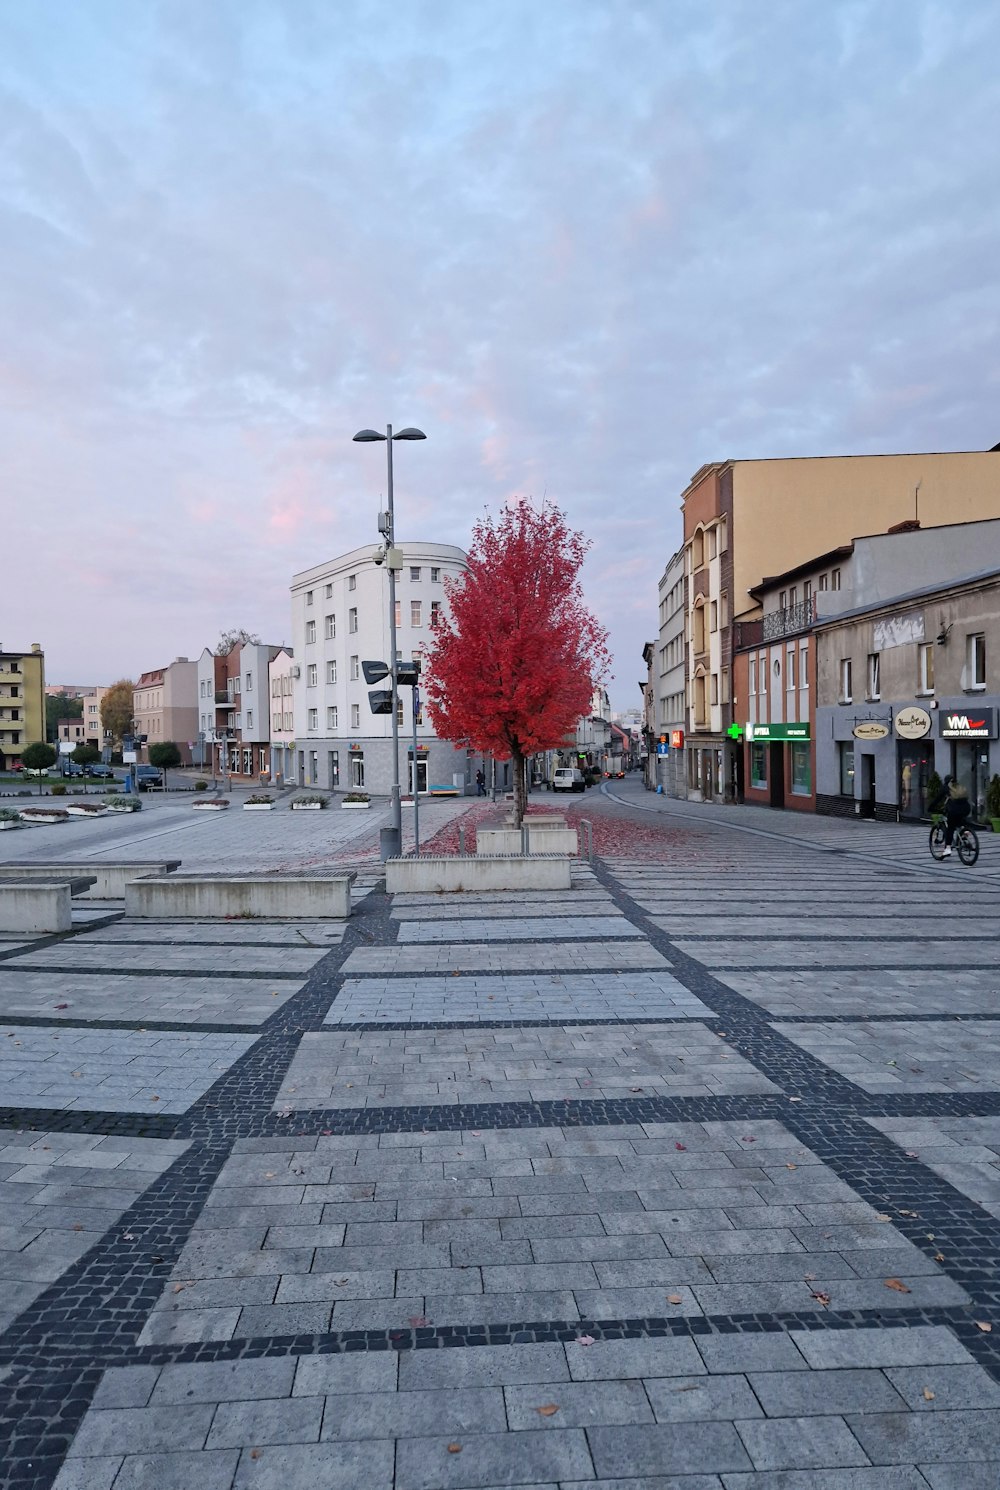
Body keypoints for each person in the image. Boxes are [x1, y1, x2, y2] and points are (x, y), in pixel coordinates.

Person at [931, 775, 971, 857]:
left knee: (950, 827)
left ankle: (948, 849)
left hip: (954, 810)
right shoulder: (958, 786)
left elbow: (937, 799)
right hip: (966, 808)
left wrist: (930, 808)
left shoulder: (945, 788)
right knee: (960, 818)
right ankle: (964, 830)